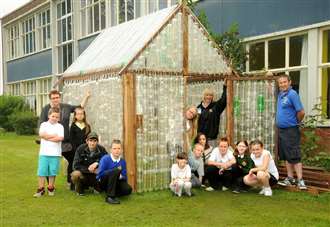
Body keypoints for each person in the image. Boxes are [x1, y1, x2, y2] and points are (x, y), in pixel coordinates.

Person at [38, 90, 90, 187]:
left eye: (57, 97)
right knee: (49, 164)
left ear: (59, 98)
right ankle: (50, 185)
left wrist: (86, 97)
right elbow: (41, 126)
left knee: (73, 160)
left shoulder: (66, 107)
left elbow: (79, 107)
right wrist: (49, 138)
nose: (55, 99)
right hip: (52, 143)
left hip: (66, 143)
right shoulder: (46, 109)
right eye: (53, 98)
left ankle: (70, 182)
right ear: (50, 99)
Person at [276, 74, 307, 190]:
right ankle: (290, 178)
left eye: (284, 82)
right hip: (282, 130)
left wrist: (295, 122)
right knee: (286, 155)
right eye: (280, 83)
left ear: (289, 82)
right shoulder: (280, 94)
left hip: (291, 130)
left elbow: (301, 112)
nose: (283, 84)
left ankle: (300, 180)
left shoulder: (292, 94)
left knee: (294, 154)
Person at [33, 107, 64, 197]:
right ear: (49, 115)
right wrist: (53, 136)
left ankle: (51, 187)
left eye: (57, 117)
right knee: (42, 171)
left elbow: (60, 138)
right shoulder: (44, 125)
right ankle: (41, 189)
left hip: (55, 153)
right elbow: (41, 134)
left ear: (59, 118)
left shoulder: (60, 126)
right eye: (53, 116)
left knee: (52, 171)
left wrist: (47, 138)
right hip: (44, 153)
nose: (54, 118)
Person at [97, 139, 132, 204]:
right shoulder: (105, 159)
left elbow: (124, 177)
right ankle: (110, 197)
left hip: (116, 182)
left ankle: (112, 192)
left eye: (119, 148)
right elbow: (100, 174)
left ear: (121, 150)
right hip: (104, 182)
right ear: (111, 150)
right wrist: (114, 172)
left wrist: (118, 174)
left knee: (128, 189)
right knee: (116, 170)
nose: (117, 150)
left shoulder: (122, 162)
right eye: (114, 148)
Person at [197, 82, 227, 148]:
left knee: (211, 156)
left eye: (210, 95)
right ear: (203, 96)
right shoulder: (199, 108)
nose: (208, 97)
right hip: (201, 140)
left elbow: (223, 100)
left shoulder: (216, 106)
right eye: (207, 95)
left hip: (212, 139)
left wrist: (225, 87)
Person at [68, 107, 91, 189]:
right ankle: (71, 184)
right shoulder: (73, 126)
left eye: (82, 114)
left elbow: (89, 139)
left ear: (84, 115)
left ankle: (85, 184)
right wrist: (75, 150)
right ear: (75, 116)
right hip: (75, 150)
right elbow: (71, 139)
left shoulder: (87, 126)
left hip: (85, 150)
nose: (80, 115)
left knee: (84, 166)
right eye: (78, 114)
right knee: (73, 166)